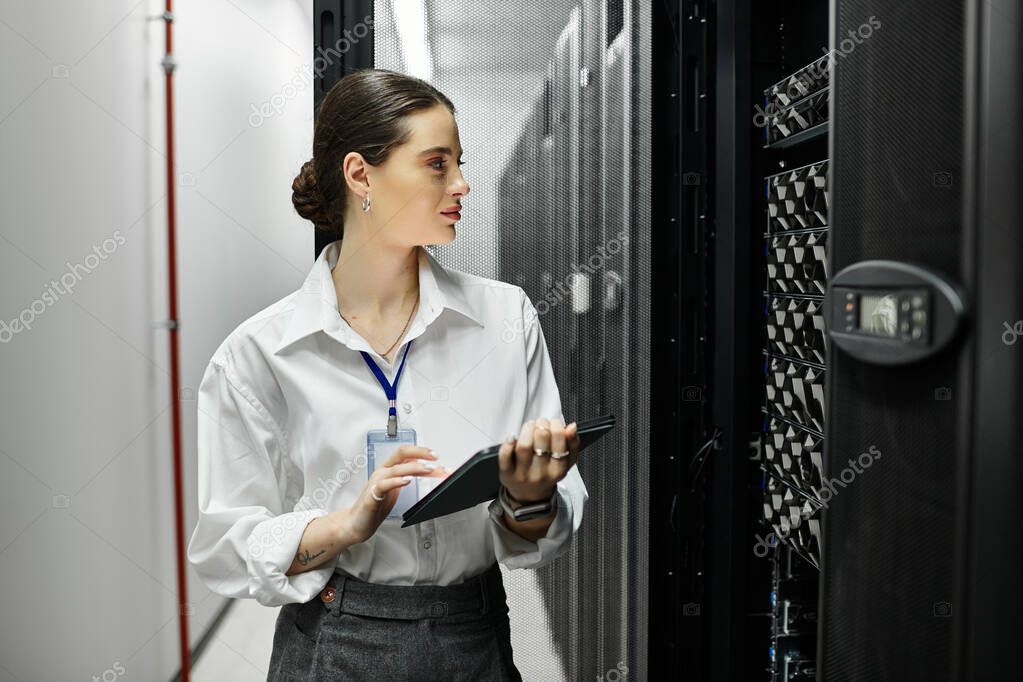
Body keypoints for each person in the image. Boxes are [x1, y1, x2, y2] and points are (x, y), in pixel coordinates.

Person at [186, 68, 589, 681]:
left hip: (472, 634)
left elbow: (543, 531)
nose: (461, 184)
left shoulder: (505, 318)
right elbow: (224, 545)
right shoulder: (261, 353)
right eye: (436, 164)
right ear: (360, 175)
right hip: (333, 638)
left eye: (459, 163)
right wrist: (343, 526)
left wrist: (527, 499)